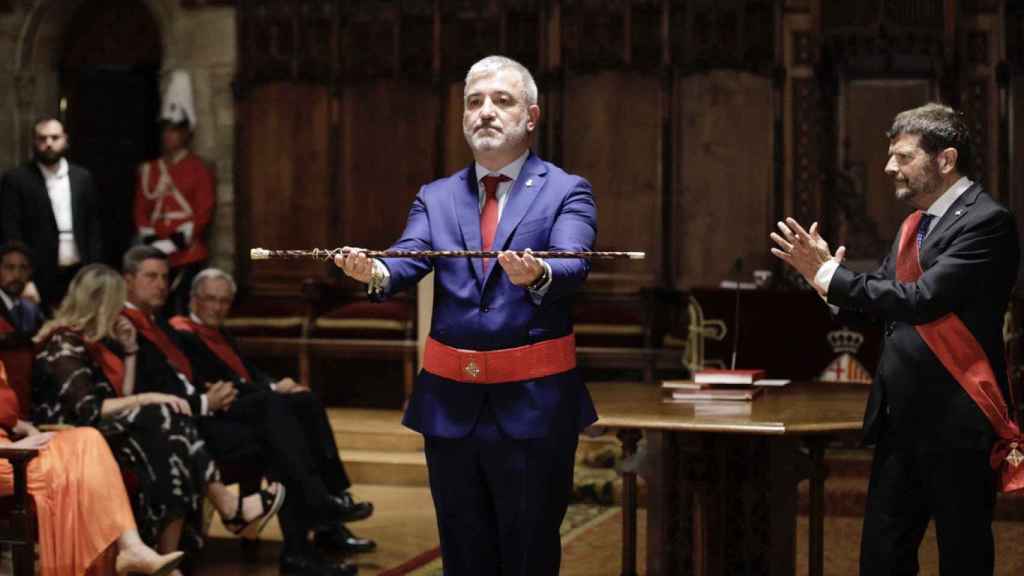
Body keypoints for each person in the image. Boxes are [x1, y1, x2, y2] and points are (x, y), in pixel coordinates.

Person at [335, 55, 598, 575]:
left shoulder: (567, 189)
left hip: (533, 407)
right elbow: (407, 256)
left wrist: (538, 272)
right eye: (474, 102)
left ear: (531, 117)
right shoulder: (435, 196)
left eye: (502, 101)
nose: (485, 112)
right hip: (450, 408)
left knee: (527, 555)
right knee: (464, 555)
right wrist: (375, 272)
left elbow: (574, 261)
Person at [770, 102, 1020, 575]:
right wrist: (823, 281)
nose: (889, 168)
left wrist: (831, 274)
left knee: (963, 557)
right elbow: (881, 307)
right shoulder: (914, 224)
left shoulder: (988, 221)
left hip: (957, 420)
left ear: (945, 160)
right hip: (900, 421)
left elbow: (922, 299)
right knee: (882, 559)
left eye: (903, 157)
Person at [121, 246, 360, 576]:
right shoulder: (129, 328)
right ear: (128, 281)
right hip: (176, 427)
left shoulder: (158, 324)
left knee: (288, 422)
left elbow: (228, 374)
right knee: (277, 415)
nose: (161, 284)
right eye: (151, 276)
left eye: (164, 277)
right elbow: (144, 390)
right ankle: (320, 511)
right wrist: (206, 399)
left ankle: (304, 544)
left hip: (201, 412)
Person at [31, 264, 283, 566]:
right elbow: (90, 409)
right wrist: (149, 396)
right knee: (163, 418)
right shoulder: (64, 342)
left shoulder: (94, 343)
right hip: (69, 436)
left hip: (102, 429)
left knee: (170, 431)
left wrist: (132, 351)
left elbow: (119, 399)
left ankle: (170, 556)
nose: (121, 315)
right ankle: (221, 512)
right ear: (100, 304)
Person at [169, 267, 376, 555]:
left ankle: (335, 498)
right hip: (220, 418)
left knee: (305, 400)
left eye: (224, 301)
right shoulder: (182, 333)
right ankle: (324, 519)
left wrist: (277, 384)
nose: (217, 307)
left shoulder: (219, 332)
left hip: (251, 407)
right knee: (284, 429)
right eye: (210, 299)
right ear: (193, 299)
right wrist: (273, 391)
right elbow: (222, 384)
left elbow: (247, 372)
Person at [0, 361, 185, 576]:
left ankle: (132, 548)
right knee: (84, 450)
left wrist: (25, 428)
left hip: (11, 449)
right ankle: (131, 550)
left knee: (87, 440)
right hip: (6, 457)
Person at [133, 70, 215, 315]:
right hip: (154, 250)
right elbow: (140, 209)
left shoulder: (198, 168)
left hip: (187, 253)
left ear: (186, 133)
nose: (169, 135)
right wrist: (151, 241)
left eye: (175, 129)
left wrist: (176, 241)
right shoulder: (151, 170)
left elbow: (204, 210)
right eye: (166, 129)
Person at [0, 118, 103, 312]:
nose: (48, 143)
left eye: (55, 137)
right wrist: (25, 279)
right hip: (38, 273)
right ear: (34, 142)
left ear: (65, 139)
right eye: (42, 138)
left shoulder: (82, 177)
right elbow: (11, 230)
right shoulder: (17, 179)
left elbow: (93, 228)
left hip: (79, 270)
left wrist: (94, 272)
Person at [0, 242, 44, 416]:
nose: (16, 274)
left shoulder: (31, 308)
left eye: (23, 268)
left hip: (27, 399)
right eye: (9, 267)